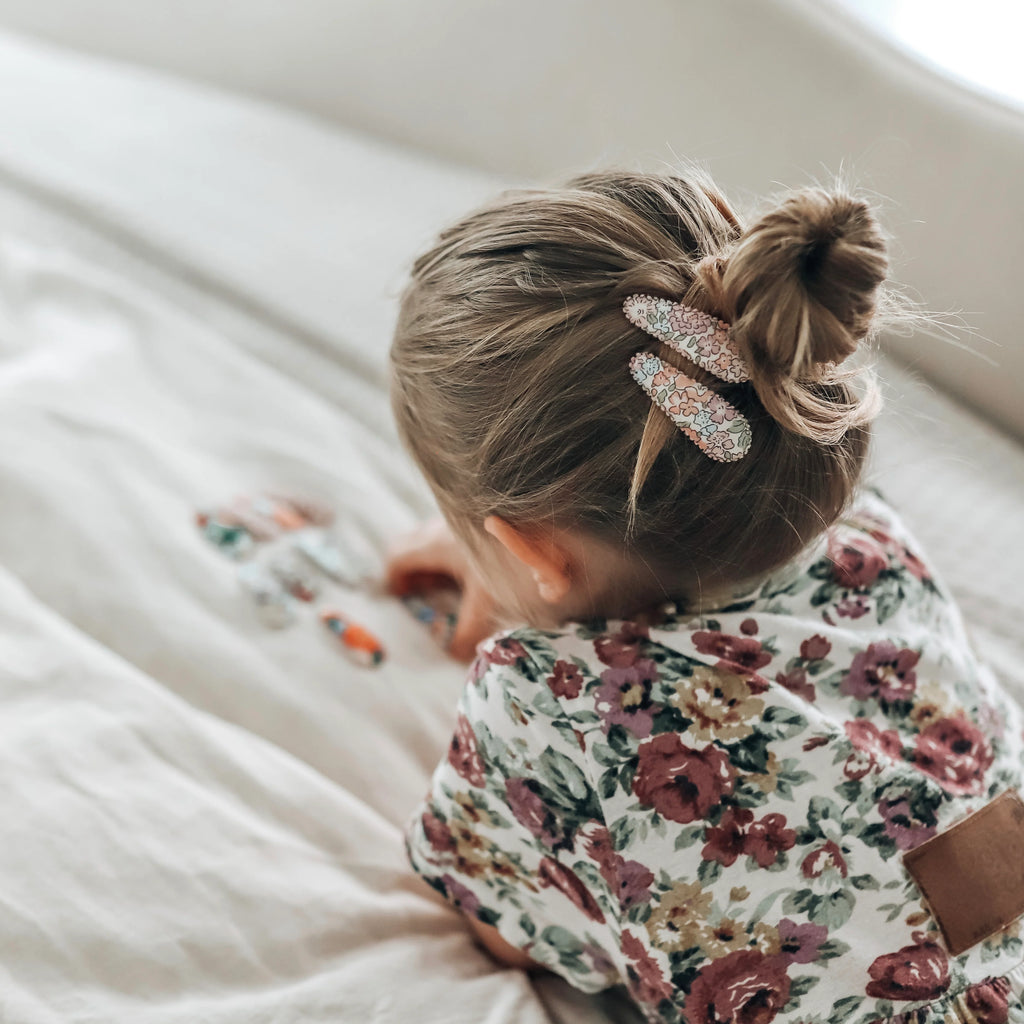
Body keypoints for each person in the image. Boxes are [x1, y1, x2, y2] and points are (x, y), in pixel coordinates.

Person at [386, 168, 1024, 1024]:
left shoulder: (542, 702)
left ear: (531, 548)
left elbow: (508, 929)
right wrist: (529, 563)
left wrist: (530, 596)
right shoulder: (876, 547)